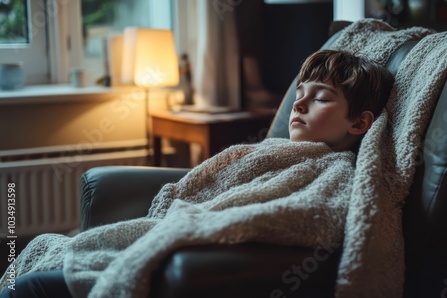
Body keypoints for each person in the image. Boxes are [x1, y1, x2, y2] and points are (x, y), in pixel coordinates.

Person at [0, 49, 394, 298]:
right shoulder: (271, 151)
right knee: (39, 261)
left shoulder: (336, 171)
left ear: (359, 124)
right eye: (301, 92)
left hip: (184, 245)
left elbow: (312, 218)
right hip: (158, 232)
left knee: (31, 287)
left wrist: (200, 224)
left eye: (322, 97)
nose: (301, 102)